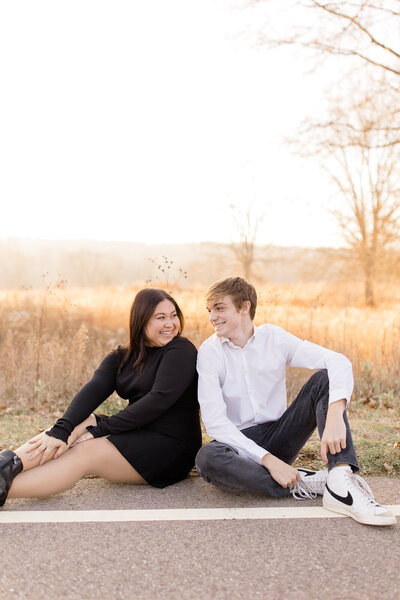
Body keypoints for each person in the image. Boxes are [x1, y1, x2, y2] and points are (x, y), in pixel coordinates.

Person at [195, 277, 396, 526]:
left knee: (324, 379)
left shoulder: (274, 338)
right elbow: (215, 423)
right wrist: (268, 460)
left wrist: (335, 414)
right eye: (209, 310)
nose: (212, 317)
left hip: (281, 433)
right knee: (207, 458)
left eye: (219, 308)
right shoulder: (209, 352)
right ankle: (307, 481)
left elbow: (338, 361)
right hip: (238, 446)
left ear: (244, 307)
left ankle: (341, 480)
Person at [0, 288, 201, 507]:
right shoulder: (121, 357)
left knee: (85, 451)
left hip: (171, 447)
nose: (170, 324)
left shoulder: (181, 350)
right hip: (138, 432)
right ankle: (7, 465)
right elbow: (92, 390)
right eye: (160, 318)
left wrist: (102, 428)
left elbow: (157, 401)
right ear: (141, 321)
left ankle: (5, 490)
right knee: (79, 423)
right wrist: (62, 429)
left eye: (173, 316)